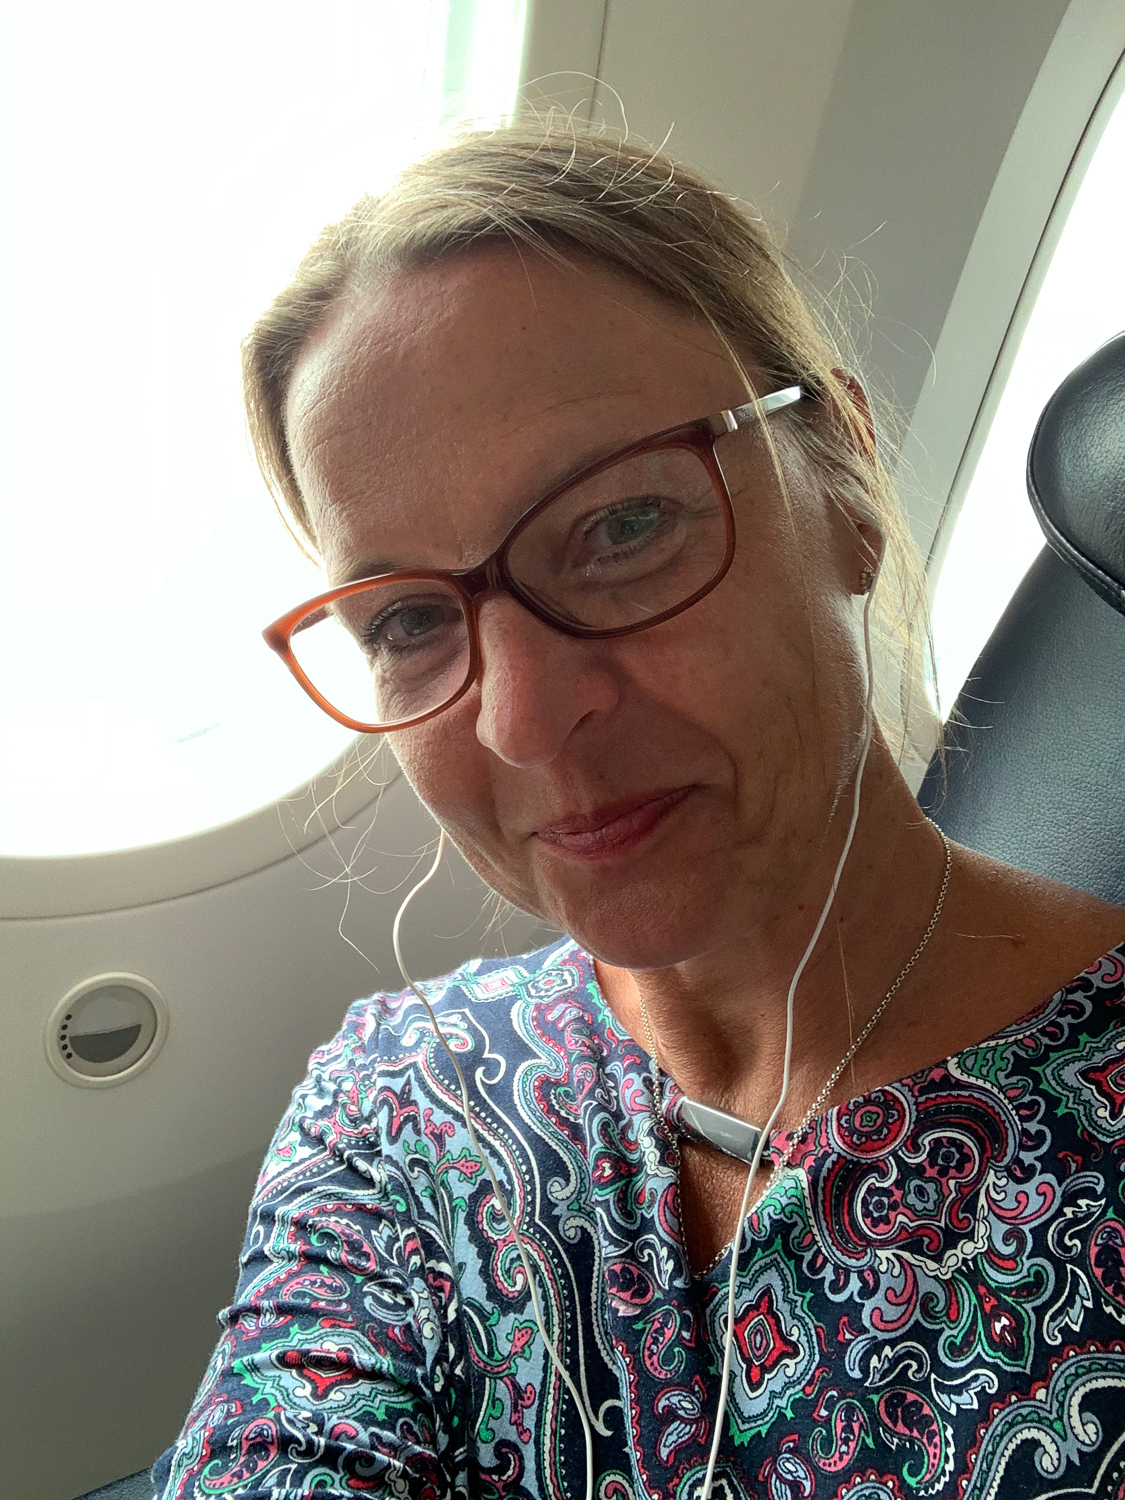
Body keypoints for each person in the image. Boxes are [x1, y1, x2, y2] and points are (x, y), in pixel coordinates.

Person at [153, 125, 1125, 1500]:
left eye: (620, 527)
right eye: (409, 620)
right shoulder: (400, 1101)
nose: (520, 719)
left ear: (844, 483)